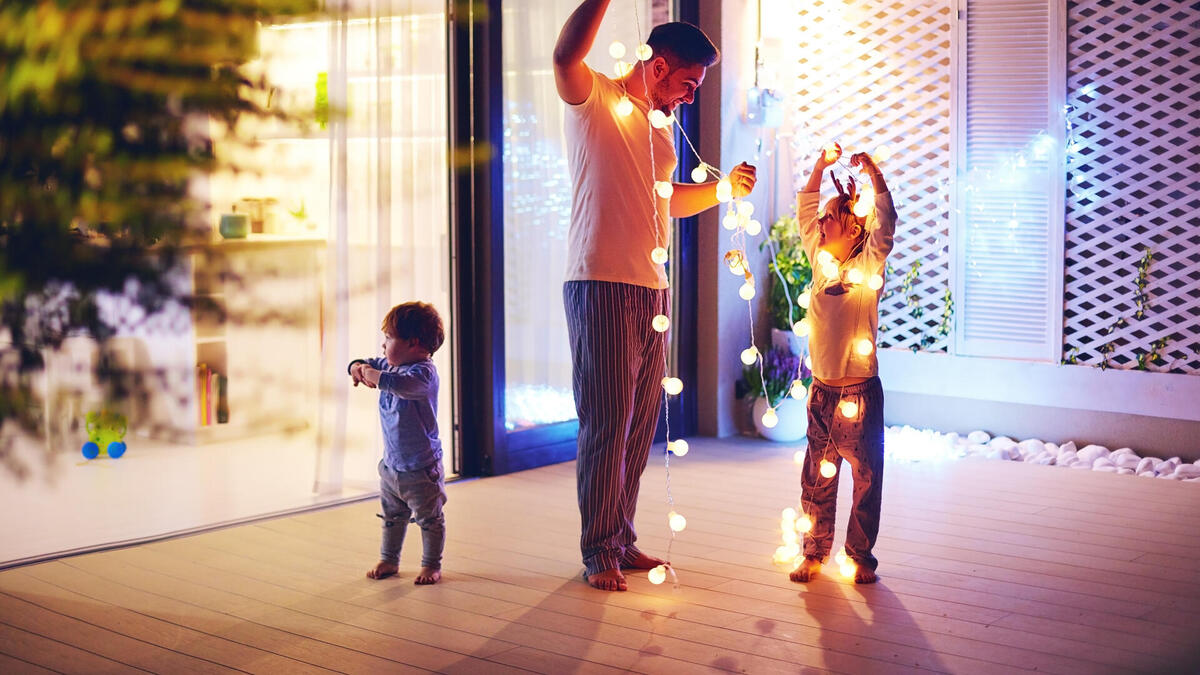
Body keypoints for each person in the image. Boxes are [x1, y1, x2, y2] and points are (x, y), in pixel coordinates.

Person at [553, 0, 758, 591]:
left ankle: (621, 537)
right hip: (600, 282)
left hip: (652, 288)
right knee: (607, 424)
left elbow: (666, 201)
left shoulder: (659, 130)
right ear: (660, 65)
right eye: (689, 84)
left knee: (640, 425)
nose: (690, 98)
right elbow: (566, 54)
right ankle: (597, 551)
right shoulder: (595, 100)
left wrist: (721, 191)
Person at [790, 144, 896, 585]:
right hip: (822, 394)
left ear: (853, 228)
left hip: (859, 395)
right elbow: (805, 210)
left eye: (831, 217)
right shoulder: (821, 262)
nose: (821, 222)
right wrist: (818, 167)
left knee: (866, 480)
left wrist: (873, 174)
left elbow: (886, 224)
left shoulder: (869, 263)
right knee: (816, 479)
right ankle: (813, 553)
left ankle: (859, 556)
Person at [348, 301, 447, 585]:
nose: (383, 346)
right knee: (392, 516)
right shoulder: (391, 364)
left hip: (421, 467)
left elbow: (399, 386)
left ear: (413, 343)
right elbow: (363, 363)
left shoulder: (422, 374)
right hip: (391, 465)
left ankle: (431, 565)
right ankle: (389, 559)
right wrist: (356, 367)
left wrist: (373, 376)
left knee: (429, 519)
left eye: (389, 338)